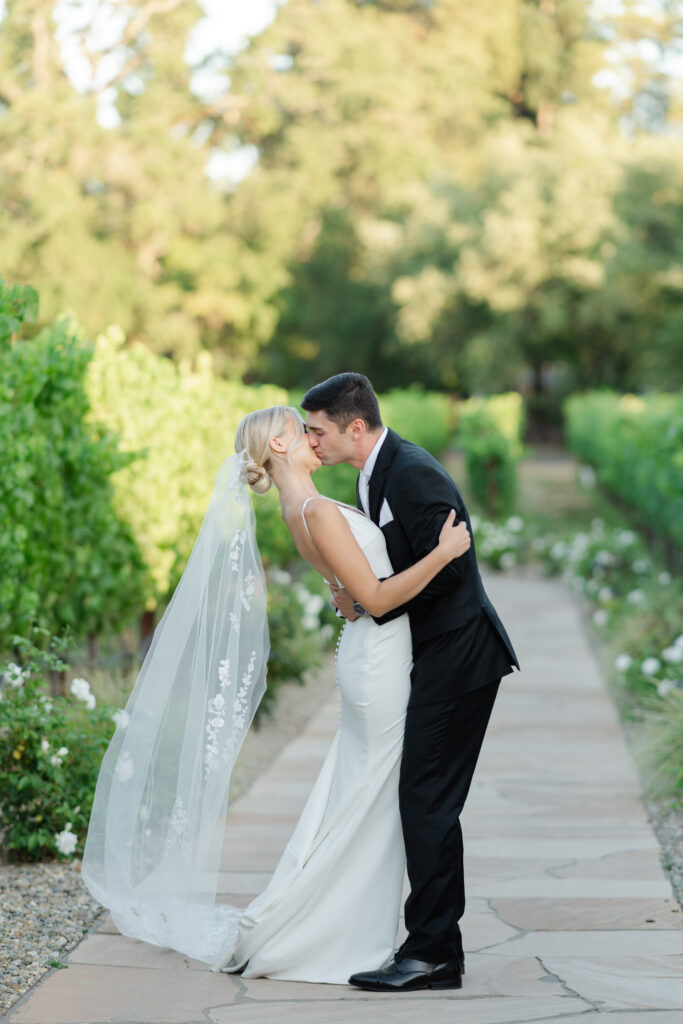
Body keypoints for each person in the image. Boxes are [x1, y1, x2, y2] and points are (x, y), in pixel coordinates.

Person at [81, 404, 471, 986]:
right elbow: (379, 598)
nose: (315, 436)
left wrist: (360, 597)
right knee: (373, 797)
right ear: (282, 445)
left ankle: (357, 926)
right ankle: (333, 931)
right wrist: (443, 554)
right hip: (378, 657)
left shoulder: (300, 510)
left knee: (363, 791)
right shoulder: (315, 508)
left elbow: (352, 595)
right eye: (304, 429)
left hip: (367, 651)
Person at [301, 373, 519, 993]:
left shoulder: (413, 473)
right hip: (436, 655)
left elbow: (448, 574)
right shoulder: (376, 474)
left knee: (425, 799)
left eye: (317, 431)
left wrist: (373, 604)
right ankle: (432, 946)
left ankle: (432, 954)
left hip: (460, 658)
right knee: (422, 797)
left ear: (356, 428)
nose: (311, 442)